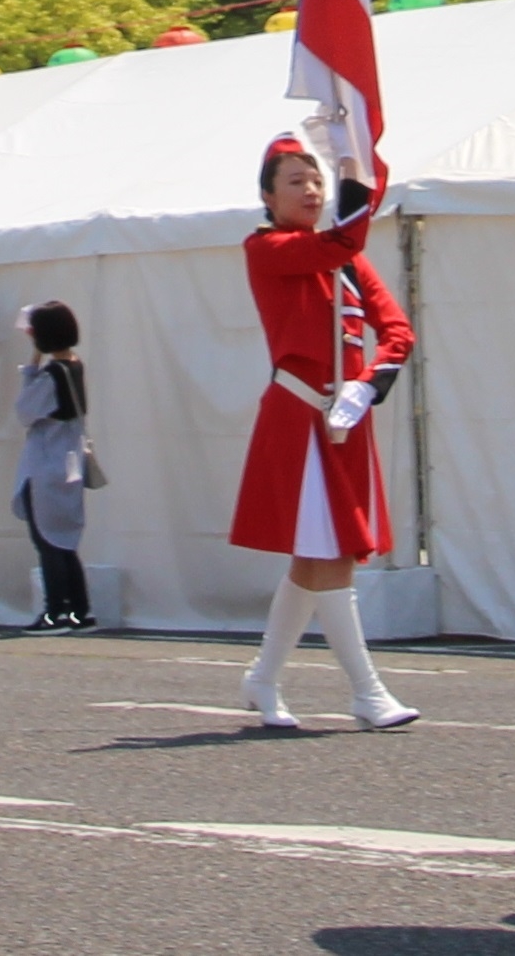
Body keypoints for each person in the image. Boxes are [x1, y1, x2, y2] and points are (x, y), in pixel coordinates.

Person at [226, 132, 415, 731]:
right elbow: (337, 243)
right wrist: (361, 178)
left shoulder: (348, 261)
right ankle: (367, 691)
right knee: (327, 554)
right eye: (295, 182)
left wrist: (368, 385)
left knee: (320, 559)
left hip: (344, 419)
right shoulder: (267, 248)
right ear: (267, 195)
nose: (310, 191)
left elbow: (397, 330)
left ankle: (262, 679)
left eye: (317, 182)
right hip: (298, 416)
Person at [14, 300, 94, 630]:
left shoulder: (51, 375)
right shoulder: (75, 365)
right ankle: (80, 610)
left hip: (46, 463)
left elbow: (24, 411)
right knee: (66, 541)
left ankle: (55, 610)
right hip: (70, 462)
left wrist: (32, 366)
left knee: (46, 541)